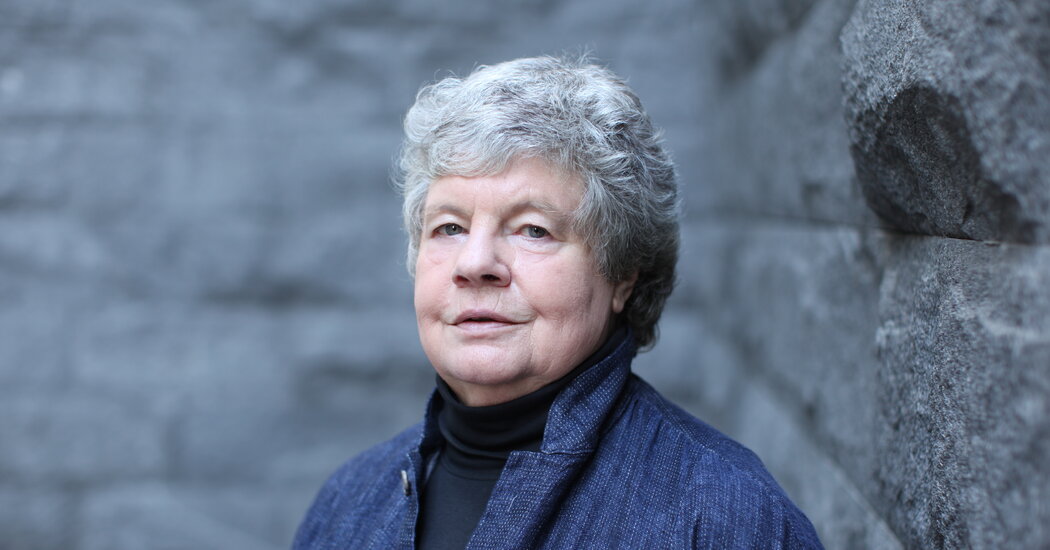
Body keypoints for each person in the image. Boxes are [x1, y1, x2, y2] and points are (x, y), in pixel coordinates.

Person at [292, 55, 823, 549]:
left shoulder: (726, 519)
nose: (474, 263)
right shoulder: (347, 503)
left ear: (623, 275)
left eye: (533, 230)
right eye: (449, 227)